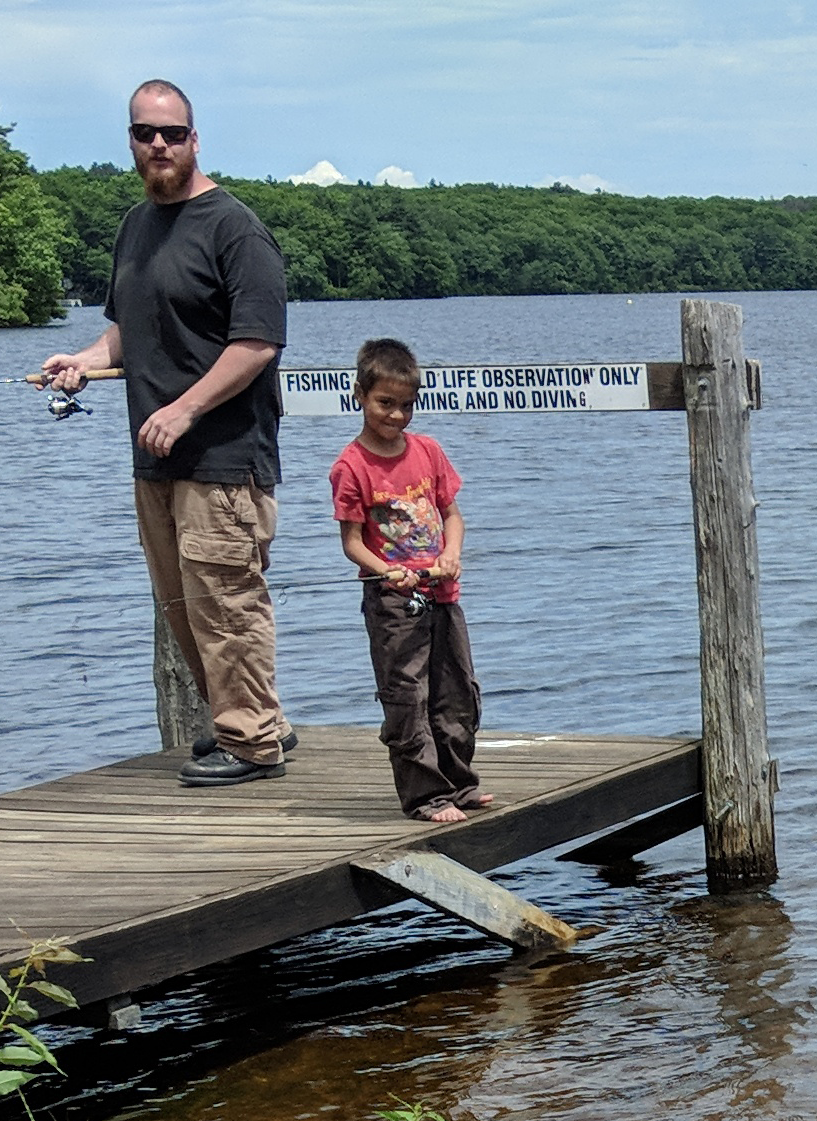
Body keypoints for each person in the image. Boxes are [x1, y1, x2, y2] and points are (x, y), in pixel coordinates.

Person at [38, 79, 294, 787]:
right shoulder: (135, 227)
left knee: (225, 602)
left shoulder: (234, 229)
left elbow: (257, 343)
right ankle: (255, 719)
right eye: (145, 133)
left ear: (195, 139)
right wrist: (84, 363)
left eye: (172, 133)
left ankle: (252, 745)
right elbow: (130, 330)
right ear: (130, 141)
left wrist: (185, 409)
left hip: (223, 455)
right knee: (184, 606)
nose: (158, 145)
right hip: (154, 461)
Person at [331, 340, 495, 822]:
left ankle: (459, 784)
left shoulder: (429, 451)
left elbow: (453, 516)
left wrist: (451, 553)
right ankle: (425, 796)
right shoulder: (351, 466)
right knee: (408, 694)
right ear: (360, 394)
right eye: (386, 403)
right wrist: (387, 571)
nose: (397, 415)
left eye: (407, 404)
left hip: (442, 593)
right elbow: (353, 543)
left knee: (456, 690)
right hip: (392, 602)